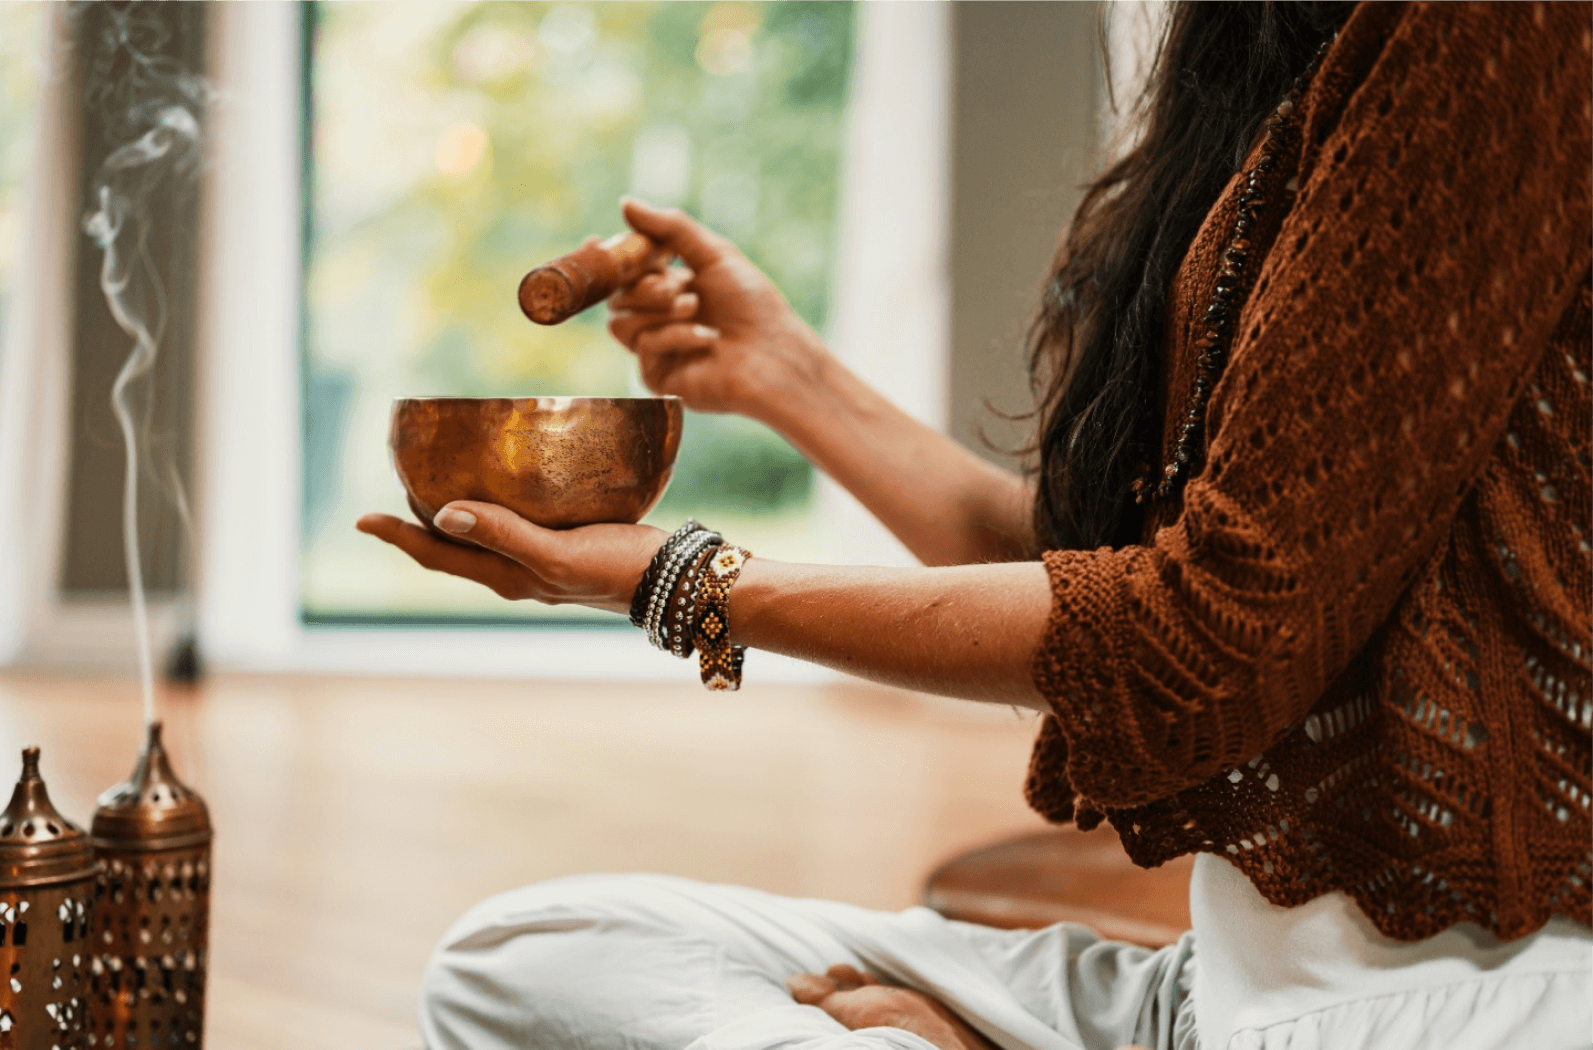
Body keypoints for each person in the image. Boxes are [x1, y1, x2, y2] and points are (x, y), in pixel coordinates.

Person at [356, 2, 1593, 1048]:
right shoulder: (1296, 51)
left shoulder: (1504, 25)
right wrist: (785, 373)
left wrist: (685, 583)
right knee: (529, 958)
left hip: (1439, 1011)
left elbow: (1203, 636)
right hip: (1210, 1001)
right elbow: (1105, 586)